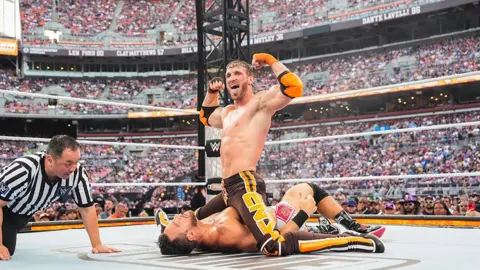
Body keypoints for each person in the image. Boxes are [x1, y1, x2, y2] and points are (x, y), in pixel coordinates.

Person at [196, 53, 384, 256]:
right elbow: (205, 117)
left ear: (250, 78)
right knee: (195, 218)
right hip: (227, 188)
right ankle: (323, 227)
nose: (231, 78)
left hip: (245, 183)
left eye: (237, 73)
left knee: (271, 241)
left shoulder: (261, 103)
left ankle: (354, 232)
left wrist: (269, 60)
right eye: (228, 75)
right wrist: (211, 92)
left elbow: (294, 87)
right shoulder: (227, 112)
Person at [157, 183, 385, 255]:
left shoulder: (202, 231)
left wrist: (164, 224)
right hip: (282, 221)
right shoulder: (226, 234)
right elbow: (278, 240)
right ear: (190, 234)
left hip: (268, 212)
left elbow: (174, 230)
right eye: (177, 222)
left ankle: (329, 226)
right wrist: (304, 212)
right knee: (307, 189)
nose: (177, 217)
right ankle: (354, 229)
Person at [0, 135, 120, 261]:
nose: (73, 168)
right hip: (5, 211)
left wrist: (97, 245)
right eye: (68, 163)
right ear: (50, 160)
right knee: (5, 251)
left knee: (8, 245)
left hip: (22, 215)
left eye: (76, 162)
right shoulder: (24, 170)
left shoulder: (77, 174)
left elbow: (86, 208)